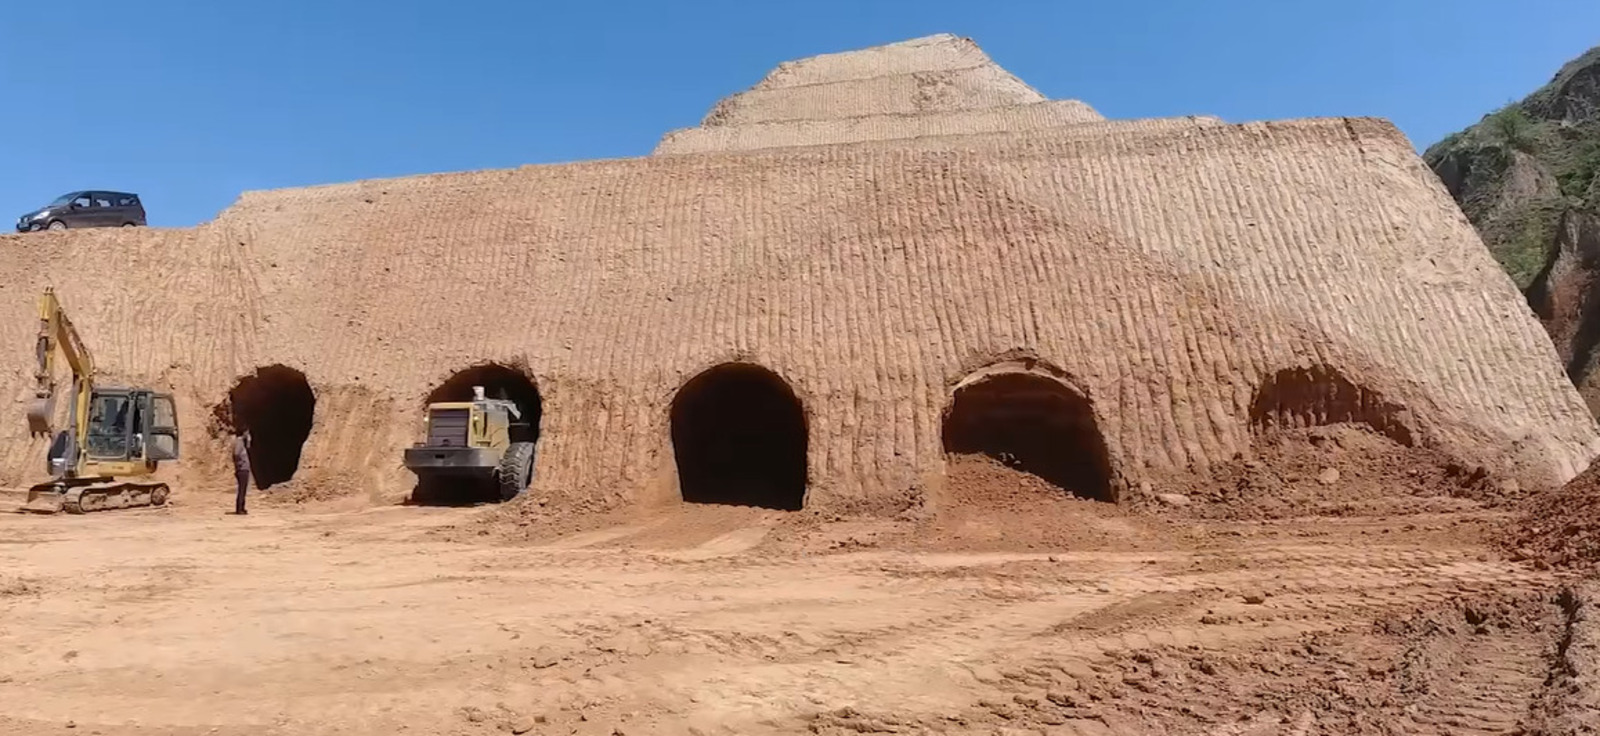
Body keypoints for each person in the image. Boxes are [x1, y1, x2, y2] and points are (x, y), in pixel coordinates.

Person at [232, 430, 251, 515]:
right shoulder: (239, 441)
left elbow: (248, 448)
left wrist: (248, 441)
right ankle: (239, 509)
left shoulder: (242, 442)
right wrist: (240, 463)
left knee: (243, 490)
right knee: (242, 489)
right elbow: (236, 453)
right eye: (247, 432)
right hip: (242, 469)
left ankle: (242, 508)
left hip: (244, 469)